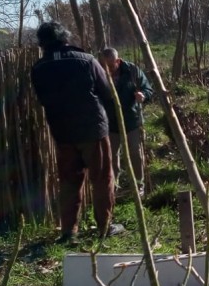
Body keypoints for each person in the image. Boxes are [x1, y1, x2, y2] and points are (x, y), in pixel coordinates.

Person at [31, 22, 124, 242]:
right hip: (93, 129)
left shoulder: (39, 68)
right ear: (65, 38)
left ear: (42, 43)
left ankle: (69, 231)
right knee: (102, 178)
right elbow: (107, 92)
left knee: (69, 181)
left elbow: (42, 98)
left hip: (62, 131)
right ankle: (105, 226)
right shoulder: (86, 60)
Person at [100, 47, 154, 198]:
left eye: (110, 66)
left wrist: (143, 95)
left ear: (118, 61)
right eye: (104, 66)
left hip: (132, 119)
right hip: (110, 122)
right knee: (111, 156)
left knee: (135, 154)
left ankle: (139, 185)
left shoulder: (132, 71)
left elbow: (148, 89)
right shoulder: (99, 72)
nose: (107, 70)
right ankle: (113, 186)